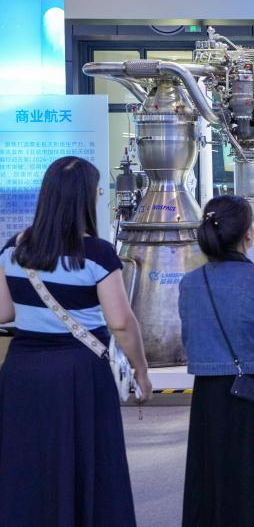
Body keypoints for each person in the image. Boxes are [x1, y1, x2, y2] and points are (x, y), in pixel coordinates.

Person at [0, 156, 151, 526]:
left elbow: (3, 312)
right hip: (80, 371)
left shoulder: (13, 248)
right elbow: (121, 323)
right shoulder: (96, 253)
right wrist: (141, 372)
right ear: (84, 198)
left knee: (27, 461)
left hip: (22, 371)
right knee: (89, 459)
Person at [177, 195, 254, 526]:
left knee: (213, 478)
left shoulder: (190, 283)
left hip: (208, 397)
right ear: (249, 234)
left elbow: (190, 338)